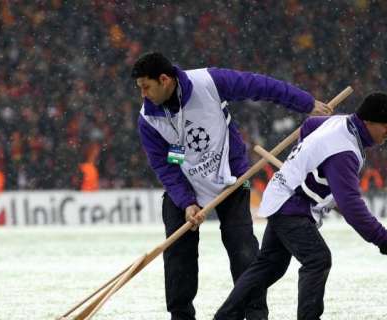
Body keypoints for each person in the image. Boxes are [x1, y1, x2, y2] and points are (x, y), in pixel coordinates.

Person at [131, 52, 332, 320]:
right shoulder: (149, 119)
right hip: (185, 187)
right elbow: (165, 166)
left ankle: (255, 314)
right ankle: (181, 316)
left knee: (245, 253)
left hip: (231, 179)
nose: (143, 95)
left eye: (146, 87)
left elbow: (260, 85)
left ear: (164, 79)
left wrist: (305, 103)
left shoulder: (208, 82)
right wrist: (187, 202)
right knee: (178, 258)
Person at [214, 92, 387, 320]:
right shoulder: (344, 151)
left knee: (269, 267)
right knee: (317, 259)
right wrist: (383, 239)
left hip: (282, 195)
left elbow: (310, 125)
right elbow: (351, 206)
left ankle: (224, 317)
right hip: (291, 205)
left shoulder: (339, 122)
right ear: (369, 121)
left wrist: (303, 160)